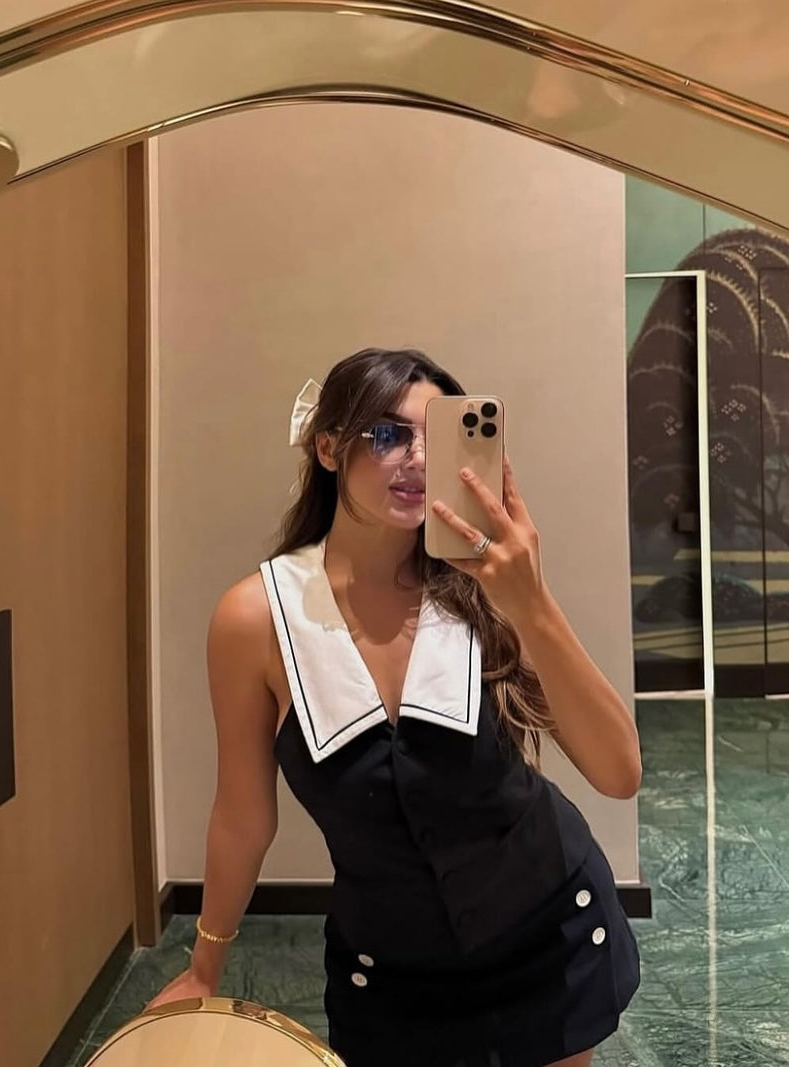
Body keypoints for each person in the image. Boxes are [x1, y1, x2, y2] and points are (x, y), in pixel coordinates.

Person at [150, 347, 642, 1067]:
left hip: (546, 940)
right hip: (390, 976)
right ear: (327, 448)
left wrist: (532, 602)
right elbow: (242, 813)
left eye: (434, 437)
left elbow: (619, 772)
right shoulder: (257, 619)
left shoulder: (487, 589)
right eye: (387, 434)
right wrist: (204, 964)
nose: (416, 457)